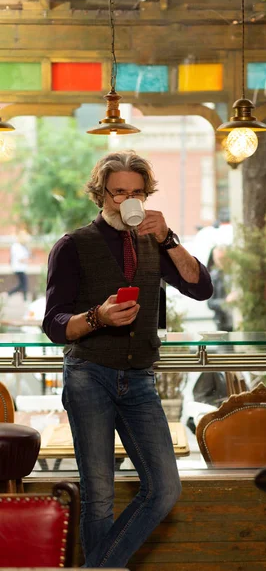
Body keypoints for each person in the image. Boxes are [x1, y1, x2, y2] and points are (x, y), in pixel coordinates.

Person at [43, 150, 213, 568]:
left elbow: (200, 288)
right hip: (89, 375)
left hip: (139, 379)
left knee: (164, 489)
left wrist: (170, 238)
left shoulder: (156, 242)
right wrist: (97, 317)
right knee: (98, 495)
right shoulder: (72, 246)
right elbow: (54, 323)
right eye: (118, 193)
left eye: (136, 193)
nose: (126, 201)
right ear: (101, 194)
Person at [207, 245, 233, 331]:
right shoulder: (214, 276)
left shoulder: (235, 274)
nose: (220, 261)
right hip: (223, 323)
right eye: (217, 258)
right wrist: (226, 302)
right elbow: (210, 303)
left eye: (222, 258)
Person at [8, 230, 30, 301]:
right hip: (18, 268)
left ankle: (10, 293)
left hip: (21, 268)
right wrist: (26, 259)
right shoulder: (16, 246)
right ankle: (10, 293)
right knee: (24, 283)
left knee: (22, 284)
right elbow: (20, 258)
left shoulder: (22, 246)